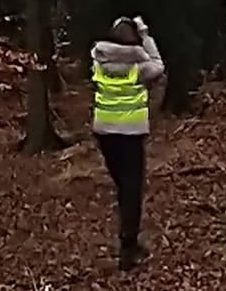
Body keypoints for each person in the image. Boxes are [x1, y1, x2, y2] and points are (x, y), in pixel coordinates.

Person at [91, 14, 163, 270]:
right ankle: (128, 248)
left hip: (104, 133)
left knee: (124, 186)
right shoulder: (138, 68)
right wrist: (145, 34)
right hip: (130, 135)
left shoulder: (99, 63)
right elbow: (158, 64)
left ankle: (127, 238)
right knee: (132, 190)